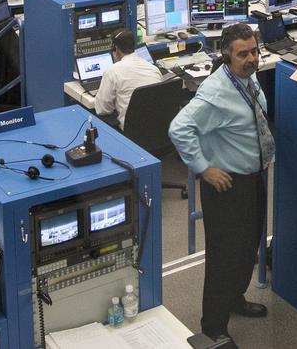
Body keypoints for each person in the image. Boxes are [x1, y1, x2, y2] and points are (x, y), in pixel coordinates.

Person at [169, 23, 274, 343]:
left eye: (254, 51)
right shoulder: (215, 92)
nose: (252, 59)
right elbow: (179, 128)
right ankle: (213, 326)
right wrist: (204, 168)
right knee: (224, 258)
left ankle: (234, 299)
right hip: (227, 186)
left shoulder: (248, 77)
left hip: (253, 177)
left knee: (247, 250)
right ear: (227, 56)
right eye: (243, 54)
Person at [93, 29, 164, 128]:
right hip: (157, 128)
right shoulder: (153, 69)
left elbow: (102, 110)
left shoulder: (113, 71)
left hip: (132, 131)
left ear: (116, 49)